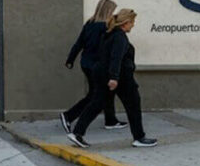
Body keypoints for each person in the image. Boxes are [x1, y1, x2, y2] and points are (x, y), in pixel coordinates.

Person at [67, 9, 157, 148]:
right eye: (132, 22)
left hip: (102, 73)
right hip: (119, 77)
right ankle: (139, 137)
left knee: (97, 103)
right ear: (125, 23)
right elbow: (116, 58)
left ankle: (77, 133)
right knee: (133, 104)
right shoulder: (120, 37)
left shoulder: (109, 33)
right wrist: (114, 78)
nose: (133, 25)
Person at [59, 0, 126, 133]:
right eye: (113, 11)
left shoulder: (89, 24)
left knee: (106, 92)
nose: (114, 14)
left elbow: (79, 43)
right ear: (108, 11)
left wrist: (70, 59)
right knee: (95, 95)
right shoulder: (106, 27)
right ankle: (68, 116)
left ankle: (110, 120)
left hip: (86, 63)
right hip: (98, 65)